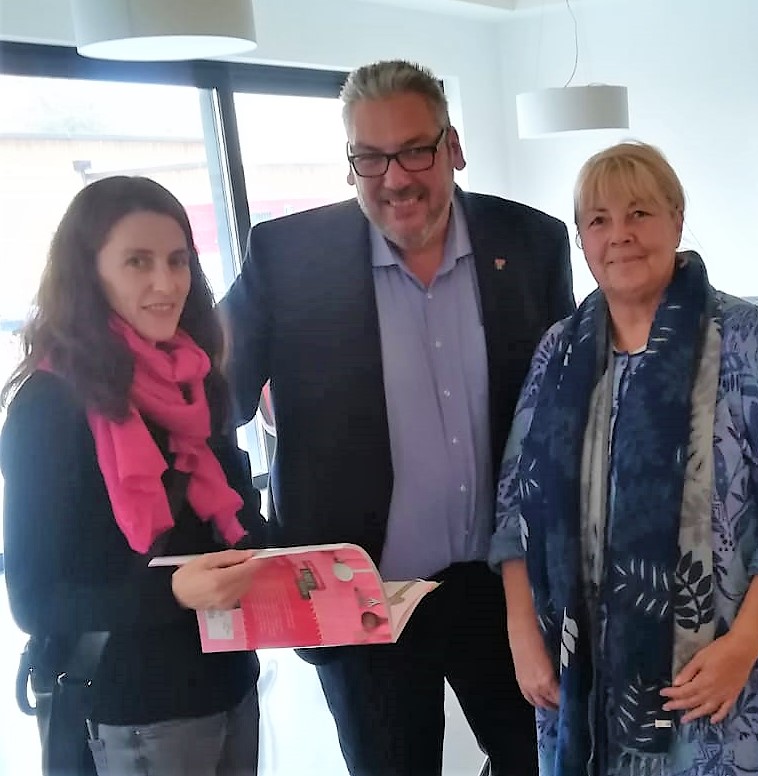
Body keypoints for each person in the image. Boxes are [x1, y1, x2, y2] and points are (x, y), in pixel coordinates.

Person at [221, 59, 575, 776]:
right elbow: (206, 403)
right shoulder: (288, 258)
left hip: (504, 586)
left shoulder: (531, 242)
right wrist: (257, 542)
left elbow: (566, 411)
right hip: (361, 597)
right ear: (350, 162)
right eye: (371, 158)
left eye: (416, 150)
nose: (395, 178)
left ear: (453, 147)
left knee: (540, 761)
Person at [489, 141, 758, 775]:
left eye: (639, 213)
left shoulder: (746, 339)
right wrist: (522, 634)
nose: (619, 234)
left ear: (677, 219)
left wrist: (746, 642)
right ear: (581, 240)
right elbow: (513, 506)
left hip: (720, 677)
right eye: (599, 220)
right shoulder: (558, 352)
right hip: (581, 675)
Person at [1, 176, 265, 776]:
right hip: (136, 711)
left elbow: (234, 516)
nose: (166, 284)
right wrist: (173, 593)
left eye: (177, 260)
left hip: (230, 681)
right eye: (137, 262)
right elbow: (35, 600)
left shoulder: (194, 378)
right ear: (88, 274)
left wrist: (315, 563)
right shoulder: (50, 405)